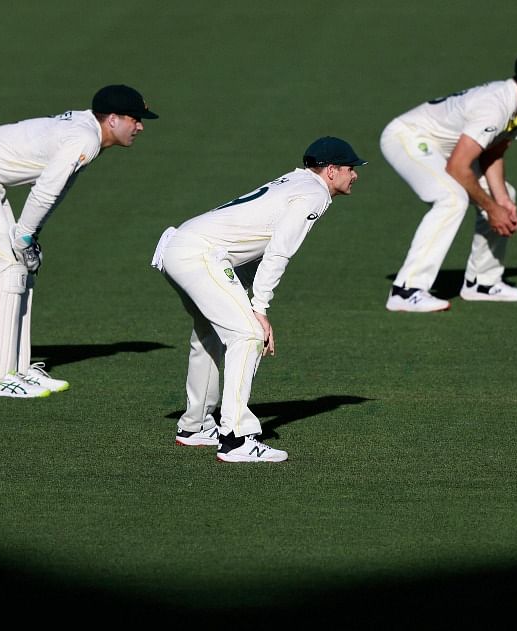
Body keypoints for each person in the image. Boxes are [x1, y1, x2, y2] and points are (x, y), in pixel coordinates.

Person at [152, 137, 365, 462]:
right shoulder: (314, 194)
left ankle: (195, 427)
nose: (355, 175)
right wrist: (259, 310)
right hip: (201, 254)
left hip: (180, 247)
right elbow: (278, 251)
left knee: (208, 336)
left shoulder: (296, 180)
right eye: (351, 169)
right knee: (249, 334)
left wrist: (246, 300)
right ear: (332, 171)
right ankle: (236, 438)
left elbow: (253, 247)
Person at [0, 84, 157, 398]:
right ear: (112, 119)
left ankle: (19, 369)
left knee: (22, 268)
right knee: (7, 271)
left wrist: (30, 236)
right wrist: (24, 236)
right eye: (134, 118)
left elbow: (57, 186)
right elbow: (46, 190)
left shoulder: (88, 131)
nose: (140, 126)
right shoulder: (86, 138)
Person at [381, 48, 517, 312]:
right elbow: (458, 167)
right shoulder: (494, 106)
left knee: (505, 195)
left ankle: (482, 282)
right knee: (451, 198)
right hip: (408, 138)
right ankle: (406, 289)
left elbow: (492, 152)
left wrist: (502, 201)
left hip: (448, 150)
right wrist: (491, 209)